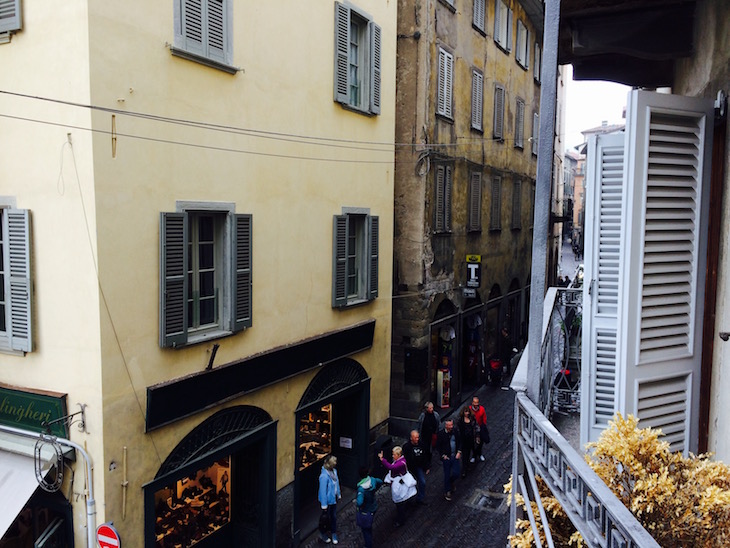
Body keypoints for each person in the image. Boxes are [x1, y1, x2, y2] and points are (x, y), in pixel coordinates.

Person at [378, 446, 409, 526]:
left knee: (400, 502)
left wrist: (382, 459)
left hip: (399, 485)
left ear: (399, 455)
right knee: (400, 502)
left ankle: (401, 520)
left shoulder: (400, 463)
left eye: (394, 454)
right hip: (398, 483)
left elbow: (391, 467)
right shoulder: (400, 461)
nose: (392, 456)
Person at [355, 466, 383, 548]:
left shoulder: (361, 489)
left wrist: (357, 502)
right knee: (369, 526)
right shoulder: (373, 480)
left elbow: (359, 502)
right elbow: (380, 481)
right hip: (373, 506)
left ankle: (368, 545)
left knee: (365, 530)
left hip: (366, 510)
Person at [435, 419, 461, 501]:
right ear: (445, 426)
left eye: (451, 425)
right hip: (447, 457)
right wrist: (443, 455)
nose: (451, 427)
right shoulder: (441, 434)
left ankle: (450, 482)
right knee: (447, 474)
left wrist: (459, 451)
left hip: (454, 456)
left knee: (456, 473)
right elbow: (438, 446)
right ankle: (447, 491)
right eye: (449, 425)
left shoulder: (455, 431)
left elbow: (460, 442)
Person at [317, 454, 341, 544]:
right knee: (326, 519)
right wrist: (324, 505)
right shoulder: (324, 476)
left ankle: (333, 532)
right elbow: (323, 491)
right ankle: (323, 533)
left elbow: (336, 484)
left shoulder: (334, 471)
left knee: (333, 517)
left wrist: (338, 494)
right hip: (327, 501)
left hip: (333, 500)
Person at [402, 430, 429, 504]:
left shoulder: (422, 445)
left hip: (418, 467)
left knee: (422, 482)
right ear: (411, 438)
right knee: (409, 483)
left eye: (418, 437)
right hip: (409, 468)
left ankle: (420, 498)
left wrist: (427, 466)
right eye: (415, 438)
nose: (417, 439)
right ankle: (408, 499)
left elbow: (425, 455)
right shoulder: (406, 447)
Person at [457, 406, 477, 476]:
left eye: (468, 411)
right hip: (464, 440)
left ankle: (469, 464)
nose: (467, 413)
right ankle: (464, 469)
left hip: (471, 439)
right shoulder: (461, 420)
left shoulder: (472, 419)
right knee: (465, 455)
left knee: (469, 452)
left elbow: (475, 427)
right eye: (465, 412)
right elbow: (458, 430)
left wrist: (476, 436)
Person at [470, 396, 488, 462]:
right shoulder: (469, 409)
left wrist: (483, 427)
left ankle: (480, 454)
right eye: (474, 403)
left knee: (480, 443)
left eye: (477, 403)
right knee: (473, 443)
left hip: (479, 428)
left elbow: (484, 419)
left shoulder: (482, 409)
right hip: (472, 429)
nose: (475, 404)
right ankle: (474, 455)